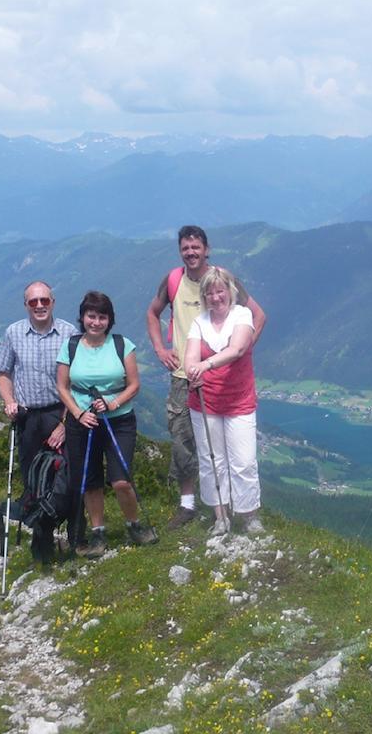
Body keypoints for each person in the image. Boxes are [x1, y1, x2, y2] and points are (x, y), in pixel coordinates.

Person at [146, 225, 265, 530]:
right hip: (185, 374)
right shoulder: (173, 281)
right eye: (185, 247)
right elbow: (153, 313)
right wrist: (160, 348)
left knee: (230, 454)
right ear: (180, 251)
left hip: (220, 376)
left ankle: (241, 513)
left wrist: (243, 350)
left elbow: (258, 315)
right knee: (186, 441)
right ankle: (189, 505)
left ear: (207, 249)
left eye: (196, 247)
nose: (191, 252)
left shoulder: (225, 280)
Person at [58, 291, 156, 557]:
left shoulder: (123, 344)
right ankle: (98, 532)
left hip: (119, 420)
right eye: (92, 316)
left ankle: (133, 524)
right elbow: (62, 386)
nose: (96, 322)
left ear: (109, 320)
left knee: (120, 479)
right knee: (91, 481)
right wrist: (78, 413)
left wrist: (113, 402)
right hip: (83, 422)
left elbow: (134, 384)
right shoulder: (70, 346)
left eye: (102, 317)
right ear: (82, 317)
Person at [183, 267, 262, 535]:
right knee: (211, 459)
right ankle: (221, 516)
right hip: (206, 401)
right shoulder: (199, 323)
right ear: (204, 297)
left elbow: (238, 348)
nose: (216, 297)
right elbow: (190, 356)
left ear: (230, 291)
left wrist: (204, 365)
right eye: (210, 292)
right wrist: (193, 369)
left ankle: (248, 515)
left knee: (243, 460)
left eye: (220, 291)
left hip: (239, 400)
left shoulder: (242, 315)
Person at [0, 281, 75, 499]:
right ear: (26, 305)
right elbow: (3, 373)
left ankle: (74, 530)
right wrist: (9, 401)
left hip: (60, 413)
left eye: (44, 300)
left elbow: (77, 382)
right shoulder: (13, 333)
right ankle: (41, 531)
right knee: (32, 477)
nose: (40, 305)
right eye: (33, 301)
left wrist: (65, 424)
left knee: (65, 477)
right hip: (27, 418)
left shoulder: (69, 333)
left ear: (53, 303)